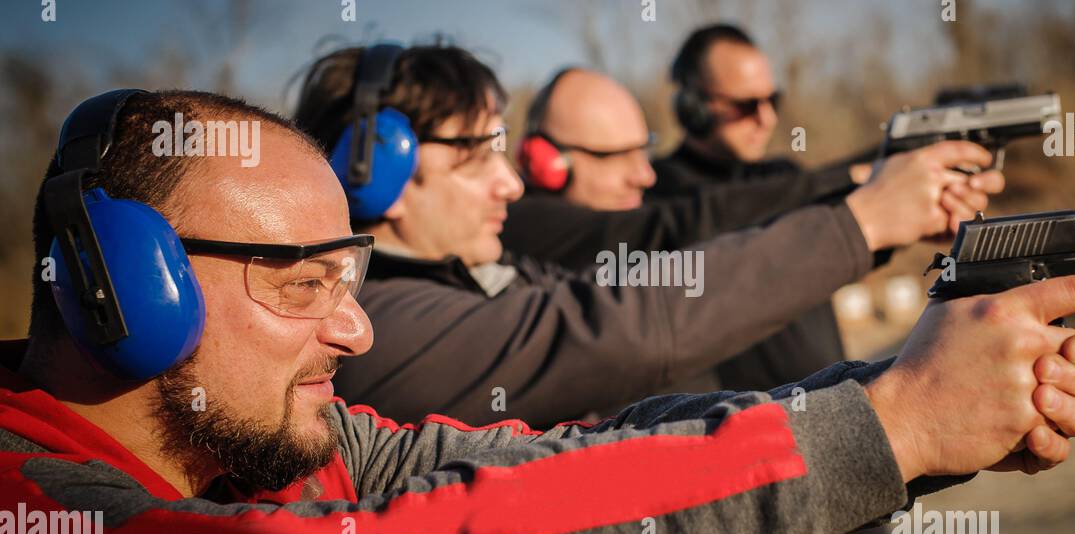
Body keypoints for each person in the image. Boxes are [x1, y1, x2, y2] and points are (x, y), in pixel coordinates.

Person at [0, 88, 1075, 534]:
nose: (357, 332)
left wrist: (907, 408)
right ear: (122, 283)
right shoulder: (49, 523)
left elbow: (571, 460)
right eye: (302, 287)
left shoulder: (276, 443)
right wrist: (897, 423)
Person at [300, 44, 1003, 423]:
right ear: (377, 175)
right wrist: (866, 213)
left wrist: (892, 397)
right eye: (475, 156)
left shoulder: (494, 273)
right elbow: (621, 324)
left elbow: (649, 293)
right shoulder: (372, 328)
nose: (509, 182)